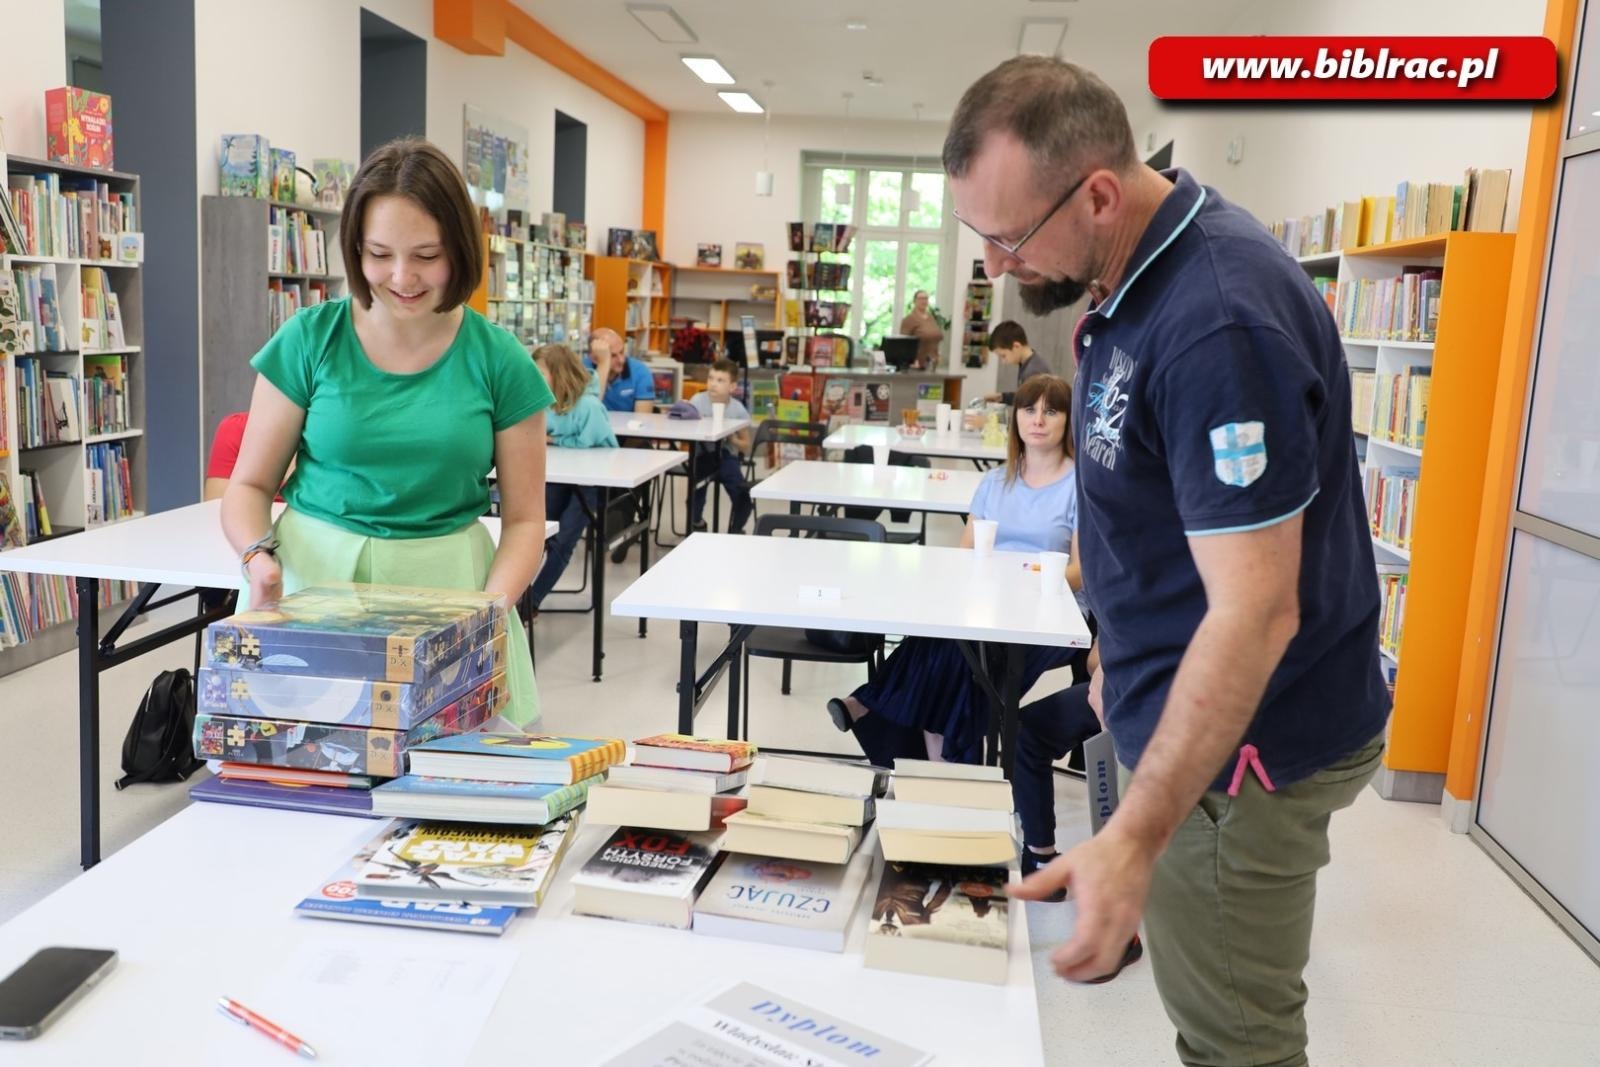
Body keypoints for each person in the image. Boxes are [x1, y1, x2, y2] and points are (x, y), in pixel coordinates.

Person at [945, 57, 1389, 1063]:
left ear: (1097, 191)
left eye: (1006, 237)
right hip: (1175, 709)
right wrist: (1113, 645)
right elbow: (1136, 500)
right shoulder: (1122, 272)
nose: (996, 268)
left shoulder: (1215, 320)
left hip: (1240, 753)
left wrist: (1136, 834)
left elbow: (1254, 611)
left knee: (1231, 1038)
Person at [220, 137, 552, 726]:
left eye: (427, 254)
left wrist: (488, 611)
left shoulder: (501, 361)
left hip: (454, 591)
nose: (402, 277)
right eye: (379, 253)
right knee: (305, 766)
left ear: (460, 250)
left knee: (452, 785)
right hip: (312, 583)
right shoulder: (308, 339)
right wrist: (258, 559)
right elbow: (247, 486)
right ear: (354, 248)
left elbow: (526, 519)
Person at [825, 374, 1080, 766]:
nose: (1038, 420)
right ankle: (943, 764)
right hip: (989, 602)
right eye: (1029, 409)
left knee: (965, 655)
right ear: (1016, 418)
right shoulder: (996, 481)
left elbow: (1085, 571)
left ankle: (872, 704)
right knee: (946, 637)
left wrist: (1023, 579)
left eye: (1051, 410)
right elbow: (966, 553)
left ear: (1068, 420)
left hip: (1052, 611)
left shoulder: (1080, 485)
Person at [528, 343, 618, 609]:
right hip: (560, 475)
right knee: (540, 530)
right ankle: (520, 596)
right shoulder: (544, 402)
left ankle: (531, 603)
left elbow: (589, 442)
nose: (534, 377)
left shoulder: (588, 406)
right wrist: (559, 439)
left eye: (540, 372)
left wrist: (555, 439)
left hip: (592, 480)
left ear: (559, 373)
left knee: (564, 539)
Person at [688, 359, 752, 534]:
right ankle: (696, 523)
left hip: (726, 456)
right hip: (701, 455)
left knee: (742, 494)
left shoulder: (738, 409)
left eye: (720, 380)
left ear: (732, 387)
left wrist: (732, 439)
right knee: (696, 491)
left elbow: (746, 445)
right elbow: (685, 431)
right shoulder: (697, 401)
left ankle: (735, 529)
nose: (713, 384)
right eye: (711, 378)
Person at [586, 327, 655, 413]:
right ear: (594, 359)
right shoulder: (582, 369)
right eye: (613, 356)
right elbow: (589, 410)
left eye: (622, 352)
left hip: (628, 426)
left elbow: (643, 419)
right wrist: (603, 364)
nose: (621, 360)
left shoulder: (640, 371)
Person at [981, 320, 1052, 403]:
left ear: (1016, 346)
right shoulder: (1027, 364)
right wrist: (1002, 397)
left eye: (1003, 356)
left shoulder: (1033, 371)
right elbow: (1025, 396)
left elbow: (1029, 405)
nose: (1003, 361)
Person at [897, 289, 944, 370]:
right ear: (914, 301)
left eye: (926, 298)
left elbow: (935, 337)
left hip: (933, 363)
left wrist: (938, 355)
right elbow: (903, 344)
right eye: (921, 298)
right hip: (917, 365)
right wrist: (910, 361)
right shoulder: (909, 319)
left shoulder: (931, 318)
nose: (924, 301)